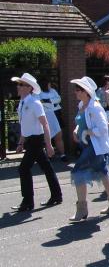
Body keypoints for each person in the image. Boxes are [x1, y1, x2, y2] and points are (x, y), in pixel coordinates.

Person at [68, 77, 109, 222]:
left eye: (79, 90)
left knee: (77, 172)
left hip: (94, 147)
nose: (76, 92)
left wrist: (88, 132)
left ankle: (82, 210)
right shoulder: (81, 105)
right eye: (76, 90)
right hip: (86, 145)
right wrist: (77, 130)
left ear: (86, 92)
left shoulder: (95, 107)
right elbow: (80, 121)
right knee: (102, 172)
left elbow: (103, 128)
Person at [10, 73, 62, 212]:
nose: (18, 87)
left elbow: (45, 125)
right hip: (30, 141)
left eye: (21, 85)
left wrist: (49, 145)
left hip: (36, 140)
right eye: (18, 84)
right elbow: (24, 126)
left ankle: (28, 201)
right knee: (46, 167)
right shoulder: (22, 103)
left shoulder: (34, 103)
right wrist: (21, 143)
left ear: (29, 88)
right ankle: (57, 195)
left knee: (23, 168)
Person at [38, 80, 67, 162]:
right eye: (49, 83)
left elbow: (58, 99)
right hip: (46, 115)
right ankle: (49, 155)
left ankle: (62, 154)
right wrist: (51, 101)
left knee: (59, 135)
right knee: (47, 135)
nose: (50, 85)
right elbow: (40, 102)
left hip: (56, 113)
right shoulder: (38, 93)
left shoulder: (53, 91)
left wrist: (48, 101)